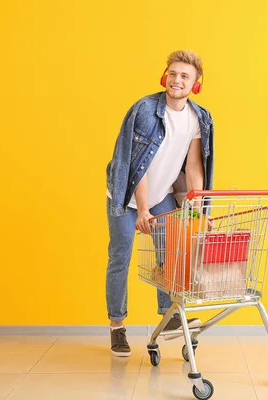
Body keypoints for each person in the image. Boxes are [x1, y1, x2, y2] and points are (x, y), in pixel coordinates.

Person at [105, 50, 215, 357]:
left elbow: (194, 168)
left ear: (196, 84)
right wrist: (142, 209)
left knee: (171, 254)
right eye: (173, 73)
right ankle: (117, 327)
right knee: (121, 256)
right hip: (126, 195)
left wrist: (197, 209)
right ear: (164, 76)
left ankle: (168, 318)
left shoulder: (198, 118)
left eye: (185, 76)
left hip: (163, 194)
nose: (177, 80)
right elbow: (134, 164)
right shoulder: (144, 109)